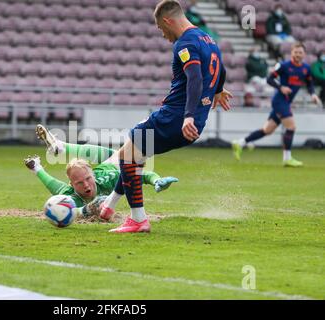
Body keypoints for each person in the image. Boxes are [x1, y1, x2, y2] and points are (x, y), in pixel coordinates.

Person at [96, 0, 231, 233]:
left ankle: (138, 219)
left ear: (168, 21)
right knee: (134, 154)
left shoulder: (184, 43)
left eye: (161, 28)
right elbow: (221, 68)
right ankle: (109, 205)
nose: (162, 34)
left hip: (176, 117)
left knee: (128, 154)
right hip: (195, 121)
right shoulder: (208, 39)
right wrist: (218, 90)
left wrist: (187, 115)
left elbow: (195, 78)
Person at [24, 125, 179, 220]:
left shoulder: (107, 178)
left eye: (88, 178)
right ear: (72, 184)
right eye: (79, 183)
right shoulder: (71, 194)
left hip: (114, 165)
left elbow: (142, 174)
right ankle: (61, 146)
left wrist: (156, 180)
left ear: (92, 174)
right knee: (119, 152)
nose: (86, 185)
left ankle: (61, 146)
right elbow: (55, 188)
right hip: (107, 162)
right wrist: (36, 168)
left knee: (119, 155)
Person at [232, 42, 322, 166]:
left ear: (304, 54)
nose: (298, 55)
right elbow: (269, 79)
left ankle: (240, 143)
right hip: (280, 100)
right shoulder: (284, 66)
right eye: (295, 52)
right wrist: (281, 87)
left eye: (300, 52)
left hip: (286, 102)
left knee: (267, 130)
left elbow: (309, 84)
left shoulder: (306, 68)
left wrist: (313, 95)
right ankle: (287, 158)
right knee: (291, 127)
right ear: (291, 53)